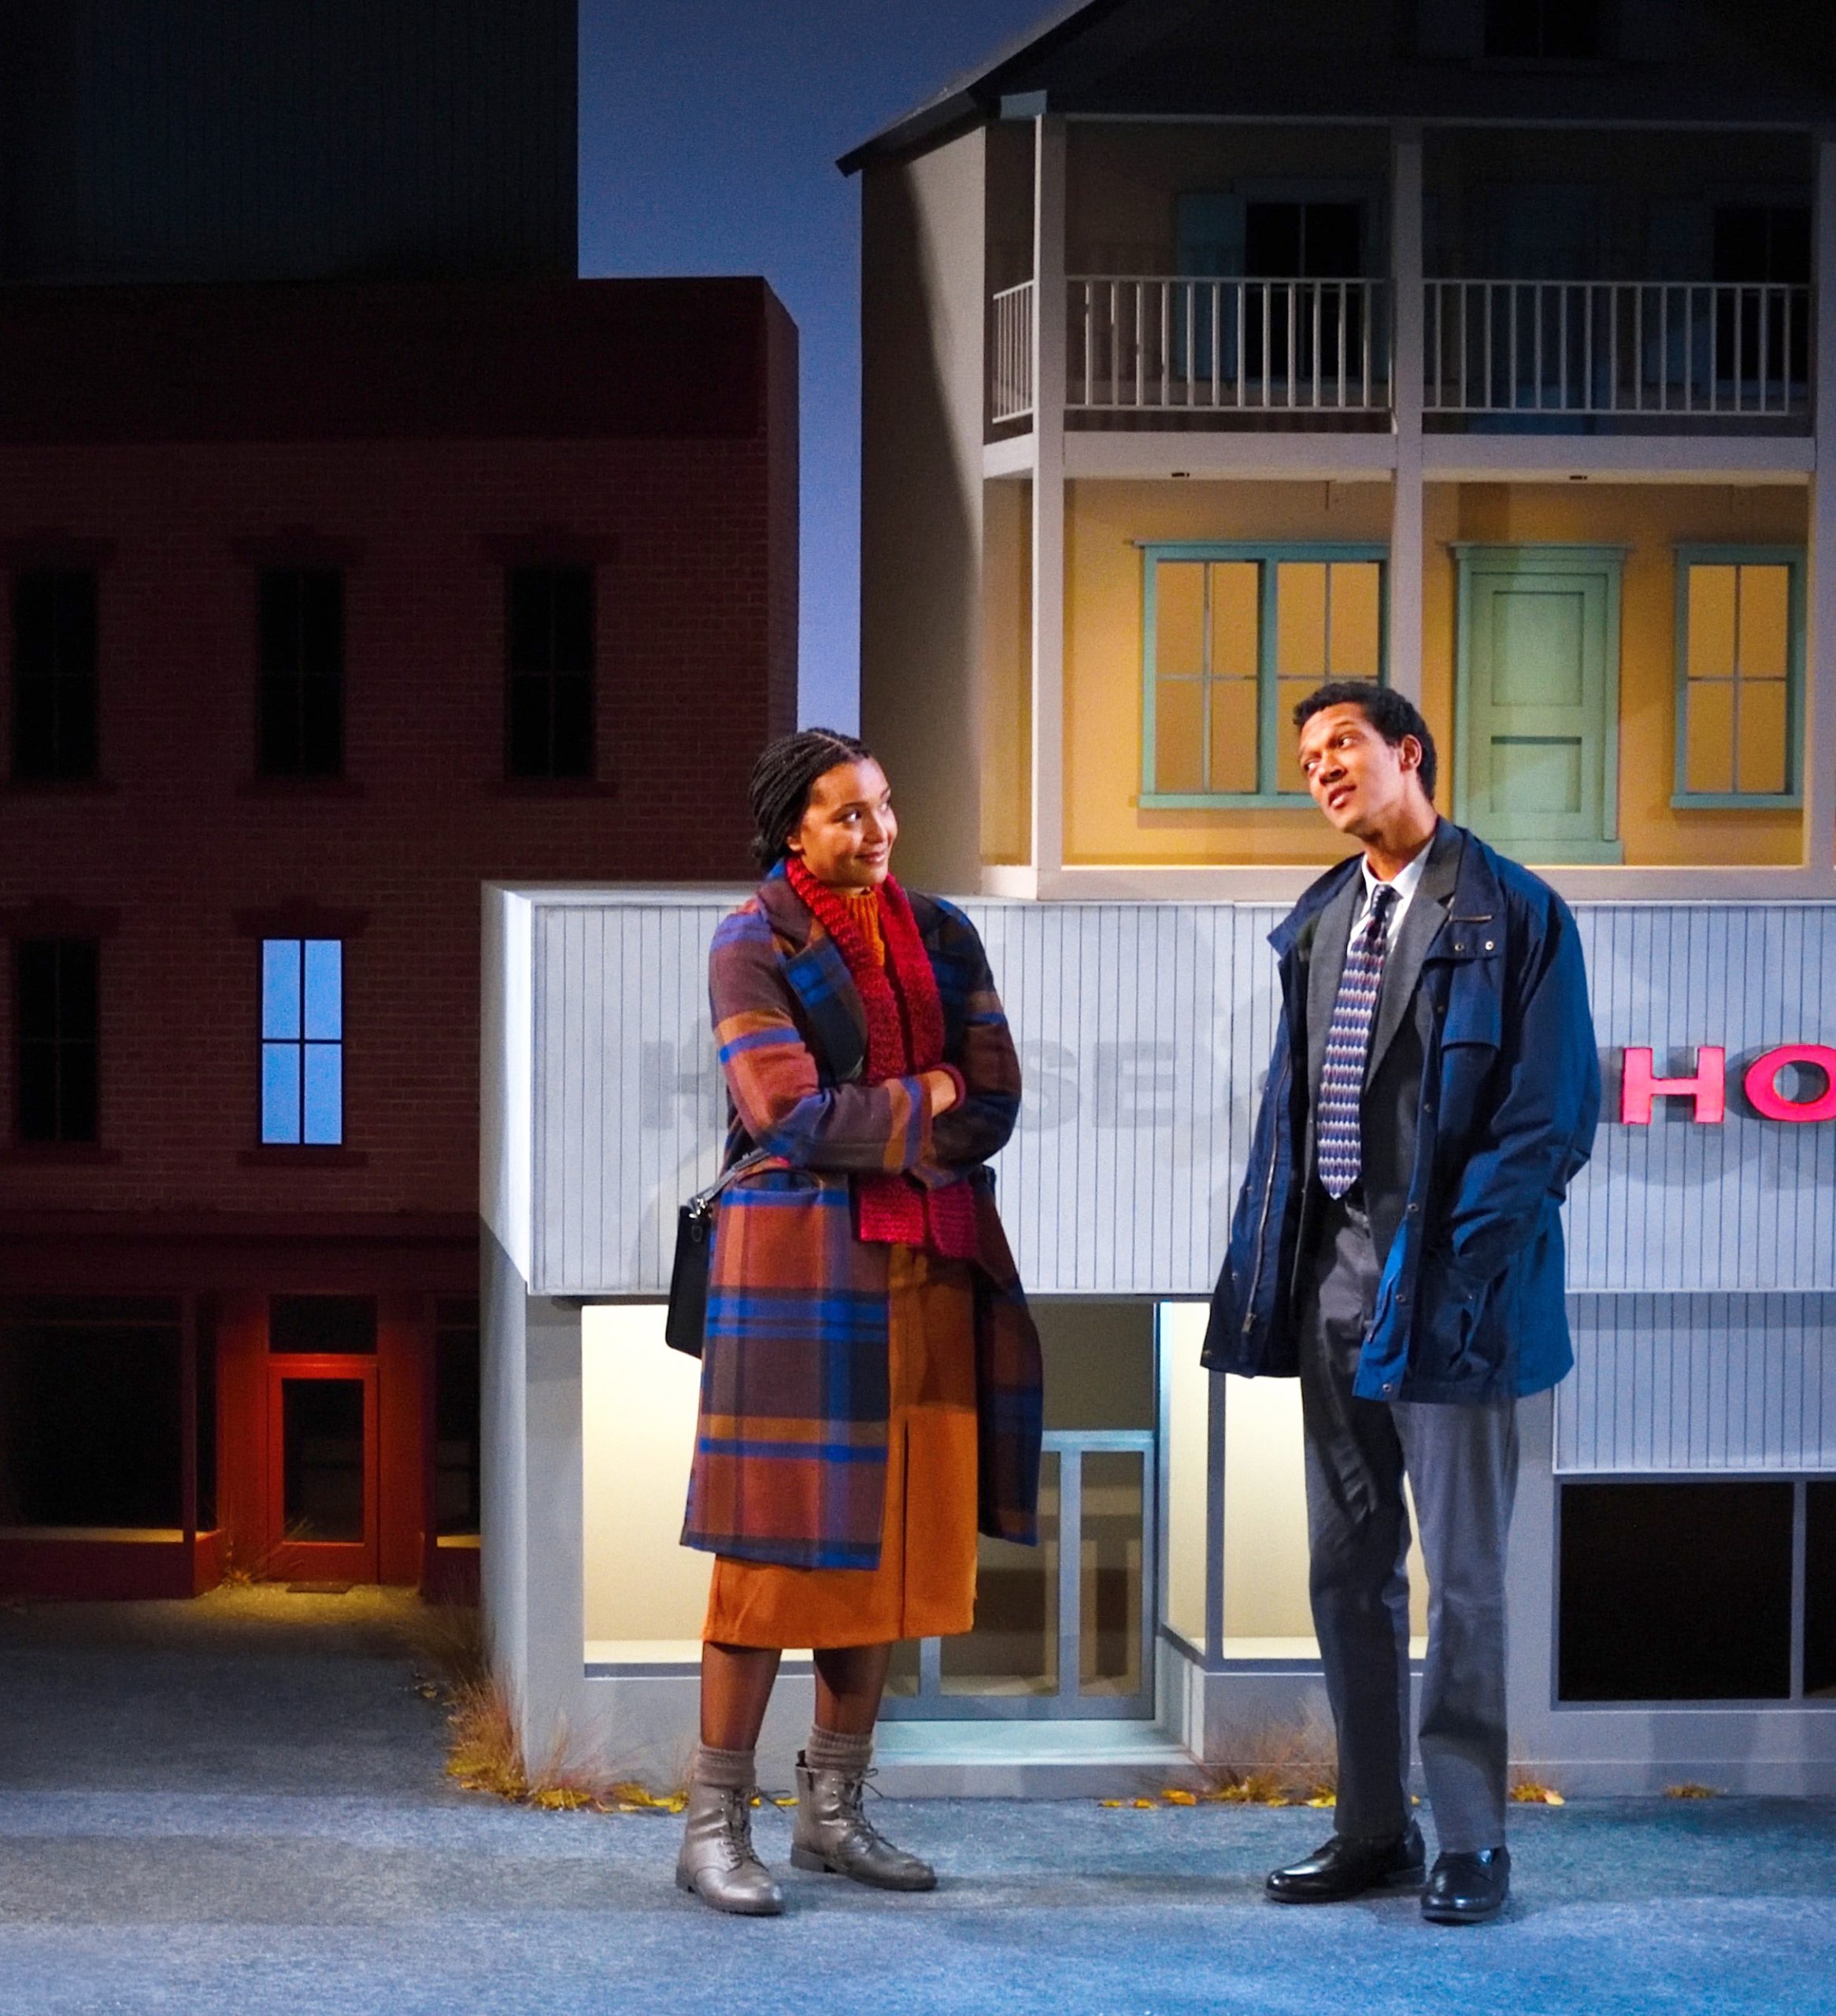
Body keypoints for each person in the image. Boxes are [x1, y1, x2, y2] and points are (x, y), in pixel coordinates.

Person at [1202, 680, 1598, 1925]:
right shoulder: (1321, 920)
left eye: (1343, 747)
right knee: (1346, 1568)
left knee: (1465, 1580)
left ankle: (1473, 1840)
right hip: (1334, 1283)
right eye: (1308, 758)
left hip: (1457, 1297)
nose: (1322, 771)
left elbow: (1546, 1124)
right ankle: (1373, 1826)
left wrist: (1456, 1278)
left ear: (1408, 753)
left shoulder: (1514, 910)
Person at [674, 727, 1043, 1916]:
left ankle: (832, 1814)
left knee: (883, 1554)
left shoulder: (942, 930)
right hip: (799, 1280)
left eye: (883, 806)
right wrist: (919, 1101)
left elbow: (993, 1098)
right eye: (847, 814)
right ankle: (711, 1824)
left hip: (930, 1263)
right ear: (795, 829)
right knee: (769, 1558)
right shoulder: (750, 941)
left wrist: (903, 1110)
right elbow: (788, 1115)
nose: (877, 831)